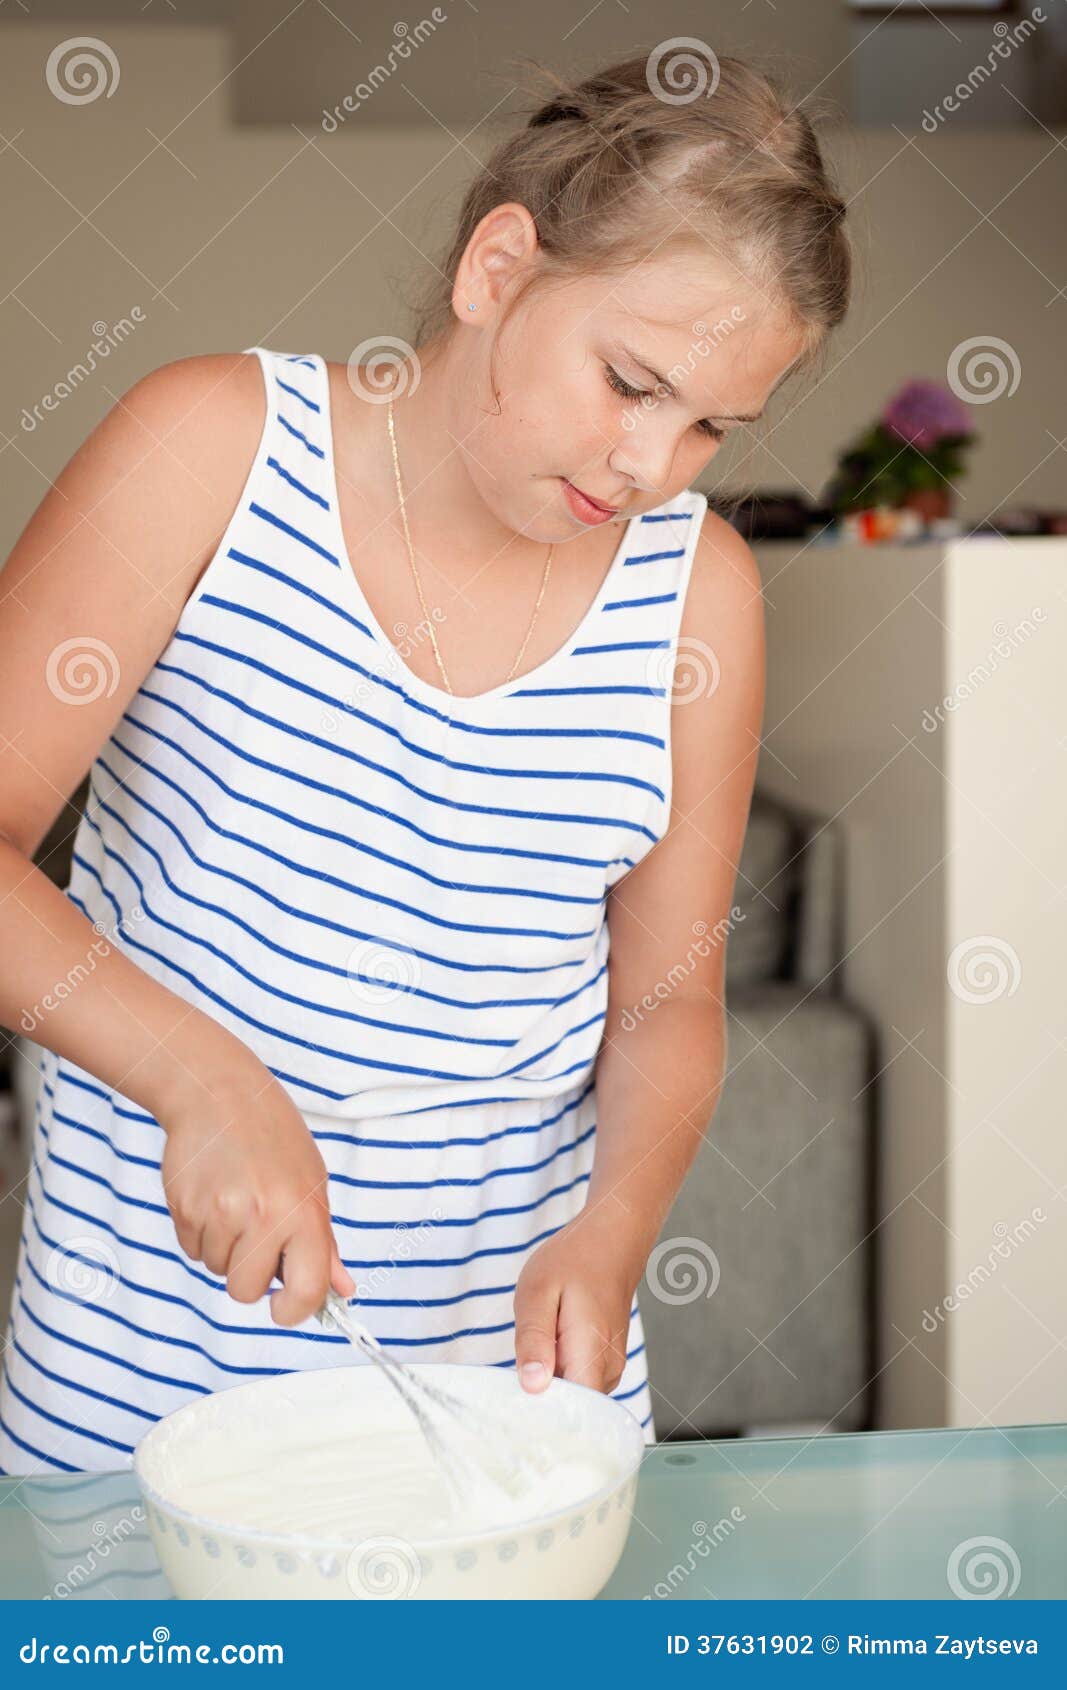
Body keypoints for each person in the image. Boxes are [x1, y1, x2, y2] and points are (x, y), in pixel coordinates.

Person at [0, 49, 851, 1475]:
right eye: (631, 380)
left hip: (502, 1416)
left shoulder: (699, 594)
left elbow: (667, 1001)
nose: (652, 462)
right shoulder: (210, 447)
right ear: (498, 268)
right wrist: (202, 1076)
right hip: (143, 1385)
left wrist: (613, 1228)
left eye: (710, 422)